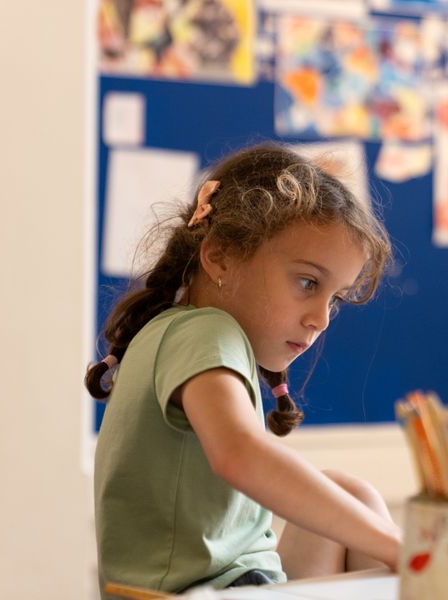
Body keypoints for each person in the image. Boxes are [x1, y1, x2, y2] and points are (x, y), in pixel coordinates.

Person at [86, 142, 400, 597]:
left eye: (334, 297)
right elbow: (240, 454)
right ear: (221, 256)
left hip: (229, 584)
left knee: (352, 493)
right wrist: (396, 545)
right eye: (308, 282)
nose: (321, 317)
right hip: (215, 590)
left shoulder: (174, 333)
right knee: (375, 529)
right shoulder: (206, 332)